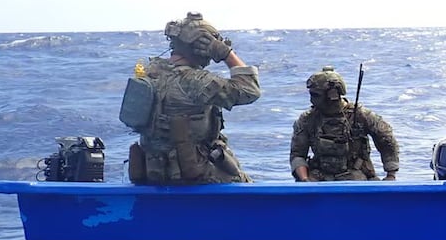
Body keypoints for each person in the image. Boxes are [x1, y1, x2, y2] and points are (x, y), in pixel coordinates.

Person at [126, 12, 259, 184]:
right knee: (242, 180)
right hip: (192, 174)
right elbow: (250, 89)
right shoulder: (196, 81)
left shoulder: (149, 73)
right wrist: (226, 53)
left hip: (154, 172)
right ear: (202, 48)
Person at [290, 66, 400, 181]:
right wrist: (304, 180)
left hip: (355, 174)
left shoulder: (361, 116)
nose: (312, 99)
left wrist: (390, 175)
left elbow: (386, 140)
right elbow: (297, 154)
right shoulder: (308, 119)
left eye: (316, 95)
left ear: (332, 94)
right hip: (320, 175)